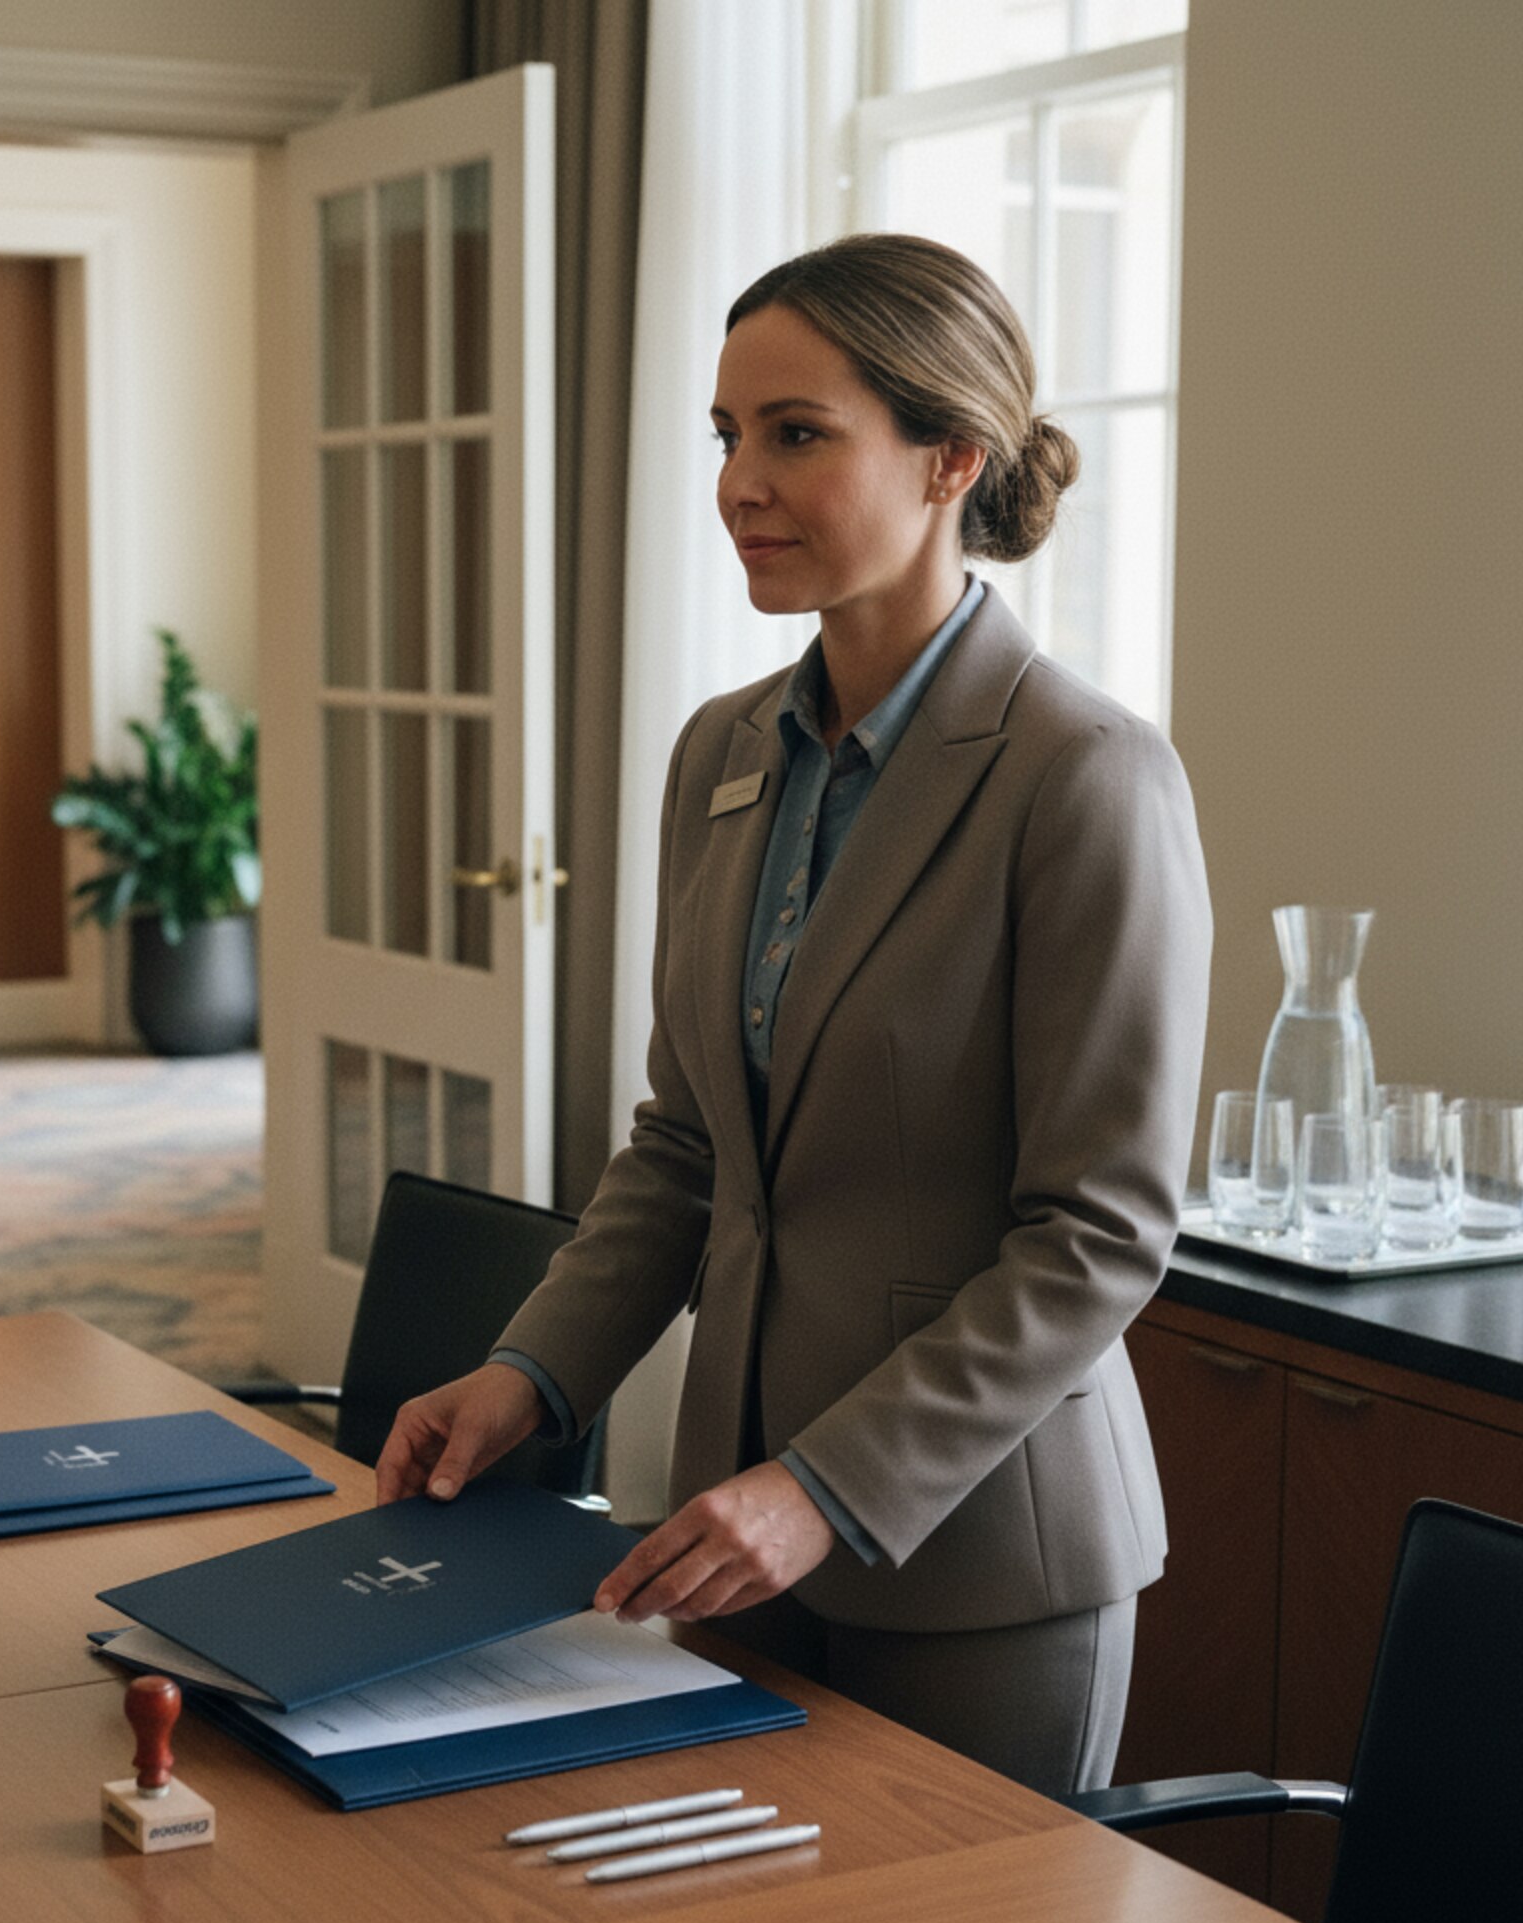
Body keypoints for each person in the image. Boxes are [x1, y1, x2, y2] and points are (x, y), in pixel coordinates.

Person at [374, 233, 1211, 1797]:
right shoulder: (721, 754)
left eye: (796, 434)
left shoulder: (1084, 778)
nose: (739, 481)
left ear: (950, 456)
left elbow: (1097, 1234)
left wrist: (821, 1487)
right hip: (729, 1538)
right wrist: (531, 1377)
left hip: (977, 1565)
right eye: (727, 436)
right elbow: (687, 1146)